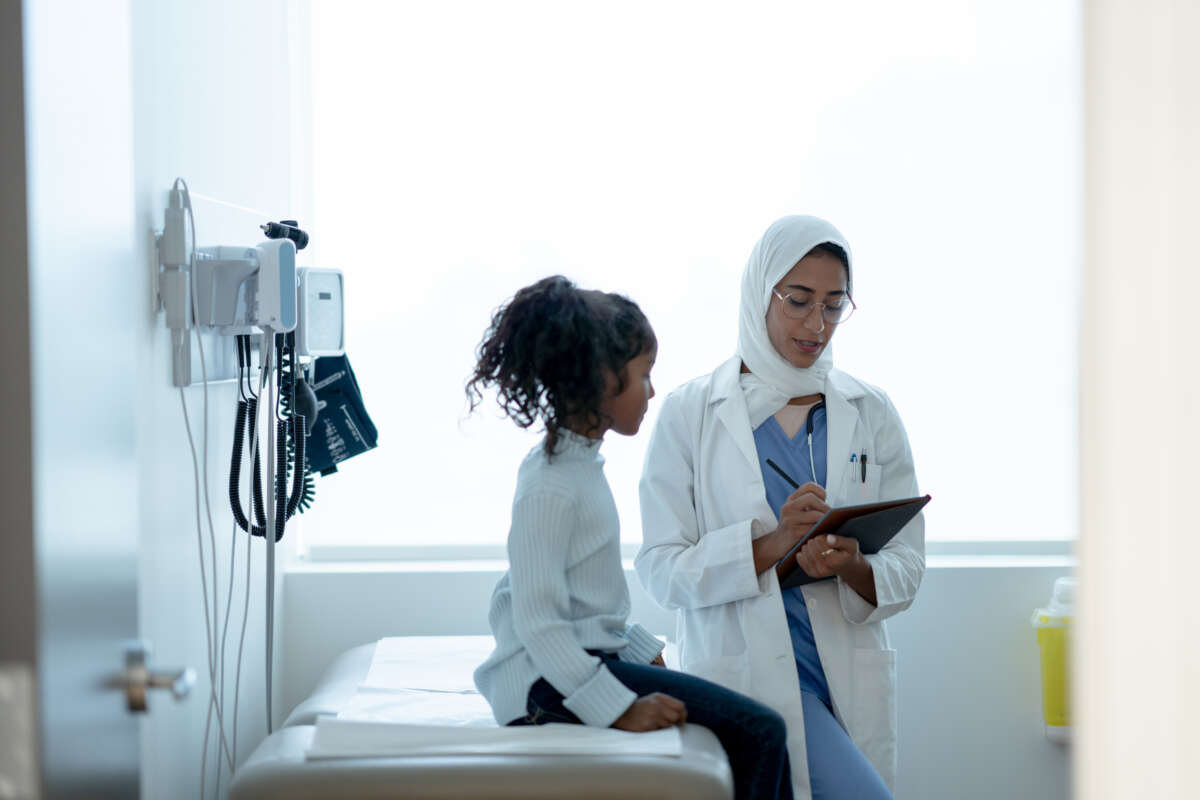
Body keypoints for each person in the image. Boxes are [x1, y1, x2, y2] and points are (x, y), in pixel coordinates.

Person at [469, 275, 794, 800]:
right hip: (539, 687)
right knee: (761, 733)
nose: (653, 390)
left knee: (758, 730)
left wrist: (642, 649)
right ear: (600, 380)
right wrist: (618, 708)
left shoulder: (577, 467)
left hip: (578, 666)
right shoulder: (550, 485)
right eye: (644, 375)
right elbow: (538, 622)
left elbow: (586, 599)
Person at [635, 216, 925, 800]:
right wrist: (772, 544)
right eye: (798, 301)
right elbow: (661, 570)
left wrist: (850, 565)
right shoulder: (692, 412)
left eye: (833, 305)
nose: (816, 324)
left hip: (843, 673)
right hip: (745, 674)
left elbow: (909, 565)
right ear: (759, 292)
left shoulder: (871, 411)